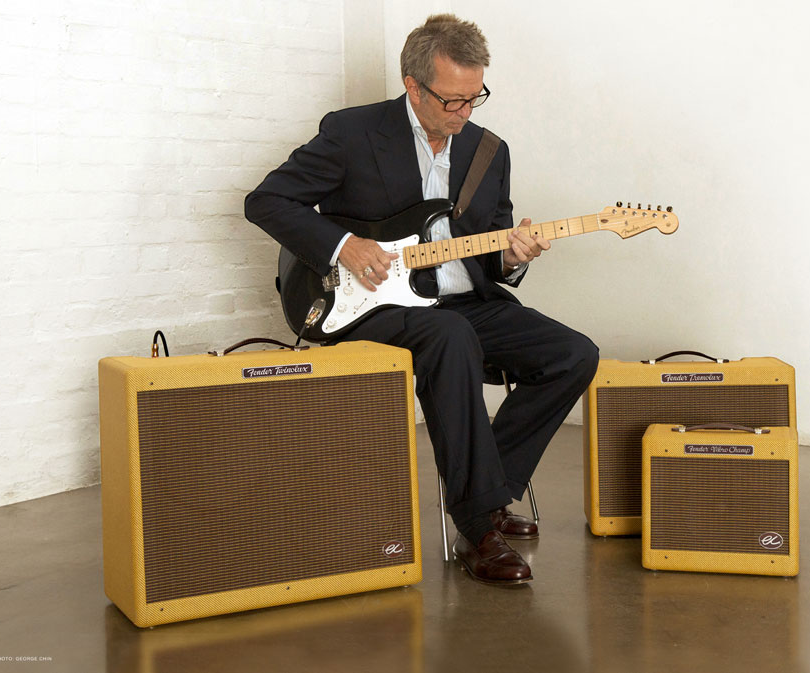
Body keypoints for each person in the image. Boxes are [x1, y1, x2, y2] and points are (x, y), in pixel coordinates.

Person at [245, 14, 599, 585]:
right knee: (450, 337)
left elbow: (491, 247)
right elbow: (266, 201)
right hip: (367, 306)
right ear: (413, 85)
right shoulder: (353, 133)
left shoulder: (489, 151)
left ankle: (486, 492)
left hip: (463, 301)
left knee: (574, 353)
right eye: (451, 101)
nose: (464, 113)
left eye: (474, 98)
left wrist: (512, 255)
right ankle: (480, 526)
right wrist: (344, 245)